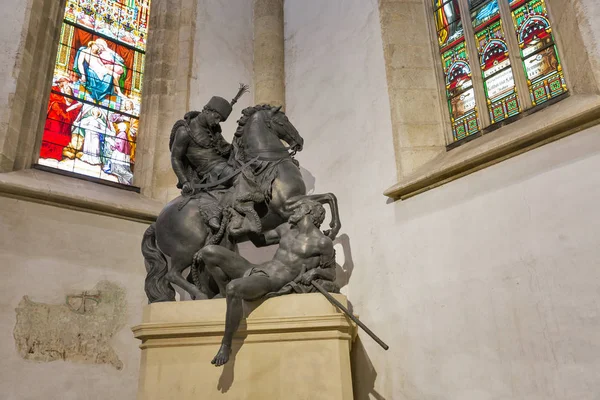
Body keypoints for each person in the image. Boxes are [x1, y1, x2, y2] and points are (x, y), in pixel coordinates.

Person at [194, 199, 336, 366]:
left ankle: (226, 344)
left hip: (271, 281)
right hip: (257, 269)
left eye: (299, 208)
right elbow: (260, 241)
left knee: (234, 287)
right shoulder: (286, 229)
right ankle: (226, 296)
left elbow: (331, 273)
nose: (294, 211)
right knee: (209, 252)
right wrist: (247, 224)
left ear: (309, 212)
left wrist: (315, 272)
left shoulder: (322, 242)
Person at [169, 96, 239, 230]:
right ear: (208, 111)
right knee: (235, 175)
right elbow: (176, 158)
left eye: (220, 120)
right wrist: (184, 181)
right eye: (217, 117)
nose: (217, 122)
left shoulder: (214, 130)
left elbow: (224, 148)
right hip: (209, 172)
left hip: (222, 164)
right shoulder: (185, 131)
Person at [40, 77, 83, 160]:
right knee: (53, 131)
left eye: (68, 82)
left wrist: (70, 99)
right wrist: (62, 111)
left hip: (64, 119)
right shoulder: (53, 89)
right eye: (66, 82)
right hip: (54, 117)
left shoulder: (69, 91)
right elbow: (51, 102)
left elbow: (73, 103)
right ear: (60, 82)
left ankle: (60, 152)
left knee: (62, 133)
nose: (67, 84)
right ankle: (48, 152)